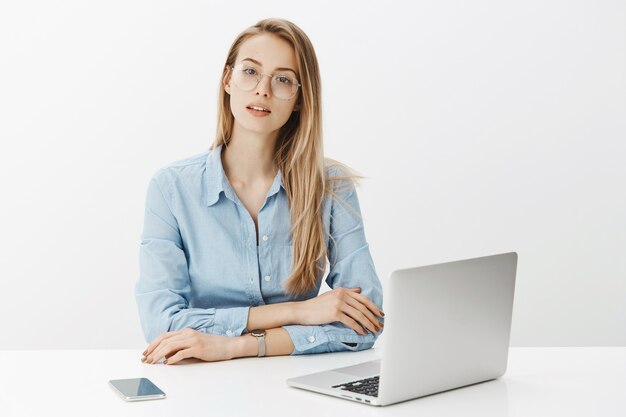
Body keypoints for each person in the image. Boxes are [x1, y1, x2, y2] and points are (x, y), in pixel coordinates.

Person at [135, 18, 384, 366]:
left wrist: (235, 345)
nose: (263, 90)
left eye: (283, 79)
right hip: (201, 385)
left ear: (299, 98)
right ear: (228, 80)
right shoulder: (171, 188)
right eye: (250, 72)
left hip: (297, 383)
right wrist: (300, 312)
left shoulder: (329, 185)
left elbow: (366, 324)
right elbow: (162, 324)